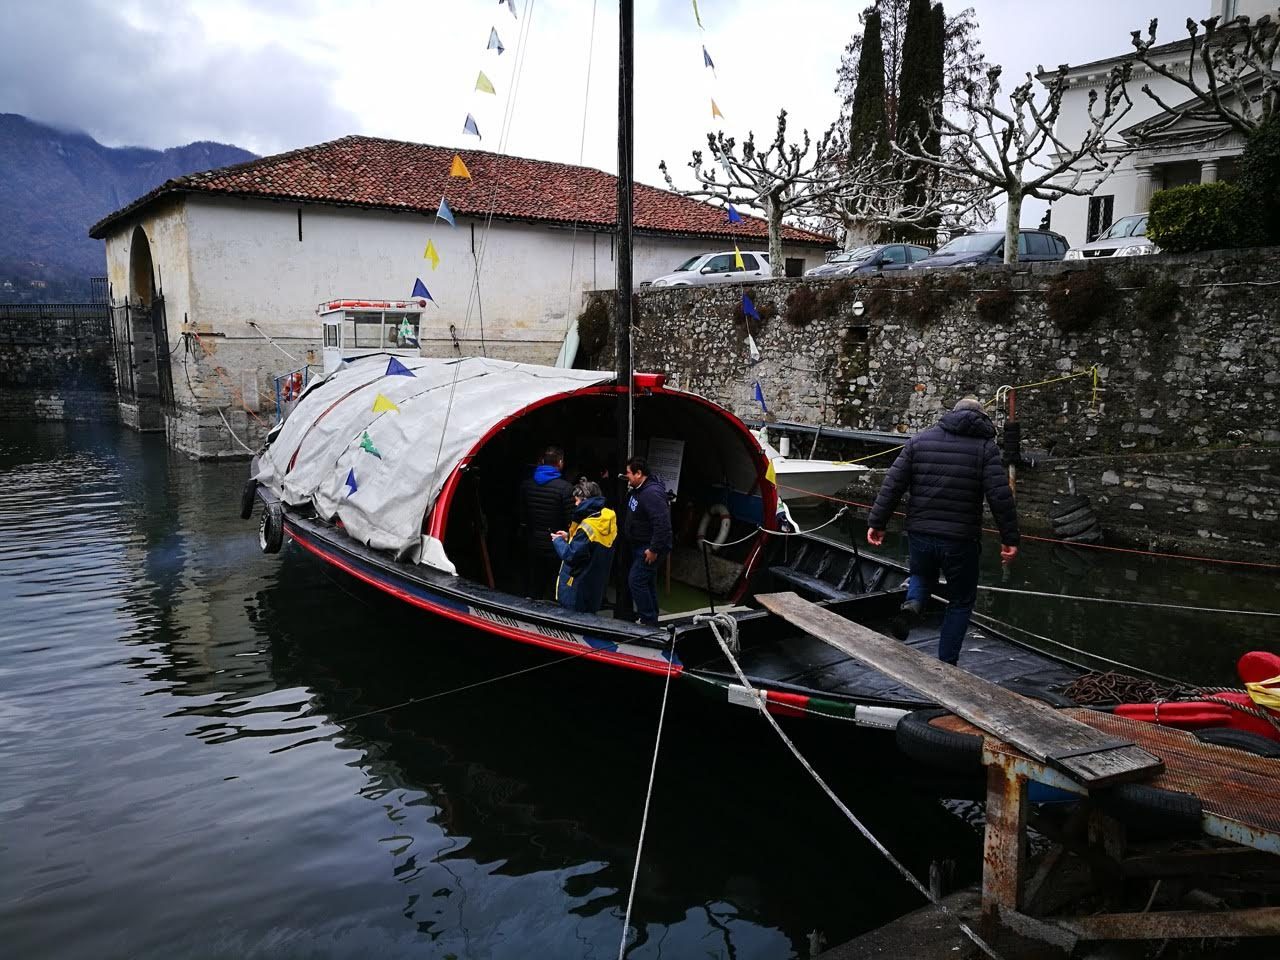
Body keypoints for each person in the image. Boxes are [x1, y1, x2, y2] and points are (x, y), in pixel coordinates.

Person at [865, 397, 1019, 665]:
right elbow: (1000, 497)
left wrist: (877, 523)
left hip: (920, 533)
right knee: (960, 600)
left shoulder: (919, 441)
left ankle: (912, 606)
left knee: (921, 576)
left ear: (952, 414)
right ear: (981, 418)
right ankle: (946, 663)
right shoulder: (985, 448)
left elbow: (892, 484)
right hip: (961, 539)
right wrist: (1009, 539)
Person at [551, 480, 617, 614]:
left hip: (578, 586)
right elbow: (592, 546)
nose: (575, 504)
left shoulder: (587, 527)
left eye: (577, 500)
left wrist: (558, 541)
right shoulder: (607, 519)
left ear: (585, 500)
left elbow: (571, 555)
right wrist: (570, 537)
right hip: (596, 584)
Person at [518, 445, 574, 600]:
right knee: (554, 587)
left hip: (533, 541)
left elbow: (522, 515)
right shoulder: (566, 488)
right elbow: (571, 521)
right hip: (556, 543)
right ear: (560, 462)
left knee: (535, 584)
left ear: (542, 461)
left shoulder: (526, 485)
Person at [622, 455, 673, 627]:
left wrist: (654, 549)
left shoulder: (651, 494)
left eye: (629, 473)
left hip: (649, 547)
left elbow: (662, 524)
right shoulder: (638, 489)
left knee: (636, 580)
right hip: (639, 544)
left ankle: (648, 620)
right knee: (647, 581)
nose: (626, 476)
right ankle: (652, 617)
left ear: (638, 473)